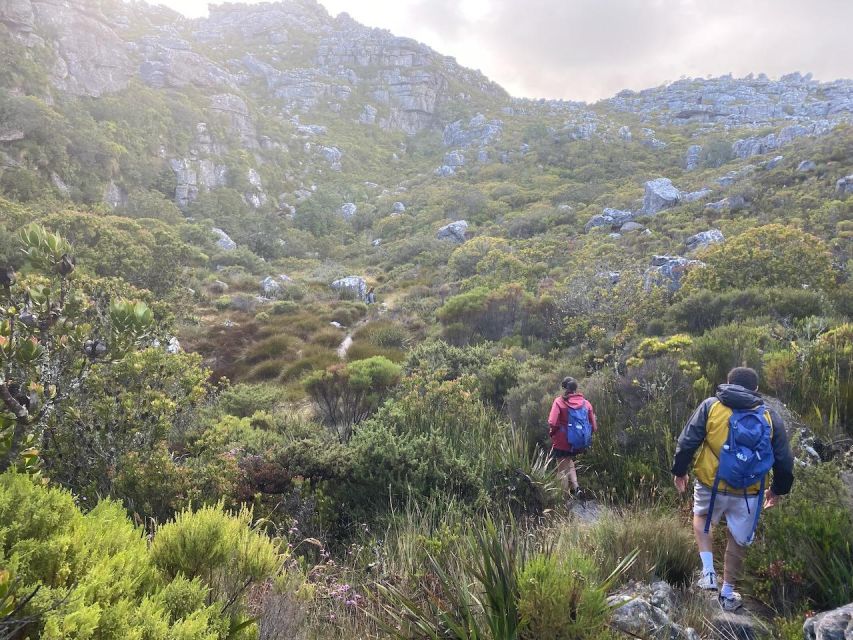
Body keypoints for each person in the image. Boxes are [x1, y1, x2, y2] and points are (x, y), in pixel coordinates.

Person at [672, 367, 794, 612]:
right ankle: (727, 594)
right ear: (756, 389)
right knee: (738, 539)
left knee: (702, 518)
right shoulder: (770, 415)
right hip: (750, 490)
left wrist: (680, 470)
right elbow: (784, 459)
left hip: (711, 483)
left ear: (728, 382)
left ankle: (708, 573)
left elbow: (687, 441)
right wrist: (778, 489)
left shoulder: (711, 406)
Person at [548, 377, 597, 499]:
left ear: (564, 388)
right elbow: (594, 427)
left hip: (562, 442)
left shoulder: (559, 402)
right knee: (569, 461)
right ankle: (577, 489)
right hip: (578, 443)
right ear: (576, 389)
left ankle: (563, 499)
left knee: (561, 470)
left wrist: (553, 433)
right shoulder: (586, 403)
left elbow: (552, 422)